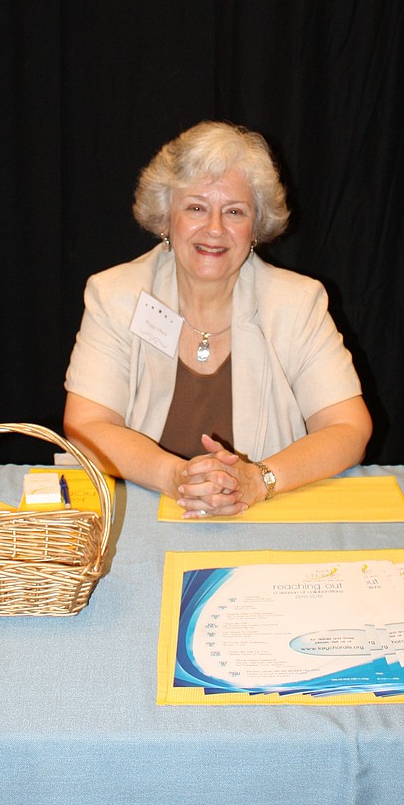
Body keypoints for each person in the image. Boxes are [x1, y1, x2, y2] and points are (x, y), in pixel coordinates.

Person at [64, 121, 371, 517]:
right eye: (195, 208)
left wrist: (259, 480)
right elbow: (87, 424)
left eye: (234, 211)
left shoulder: (297, 302)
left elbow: (349, 429)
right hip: (138, 518)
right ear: (165, 219)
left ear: (256, 228)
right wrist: (175, 477)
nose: (214, 229)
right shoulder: (116, 296)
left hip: (265, 519)